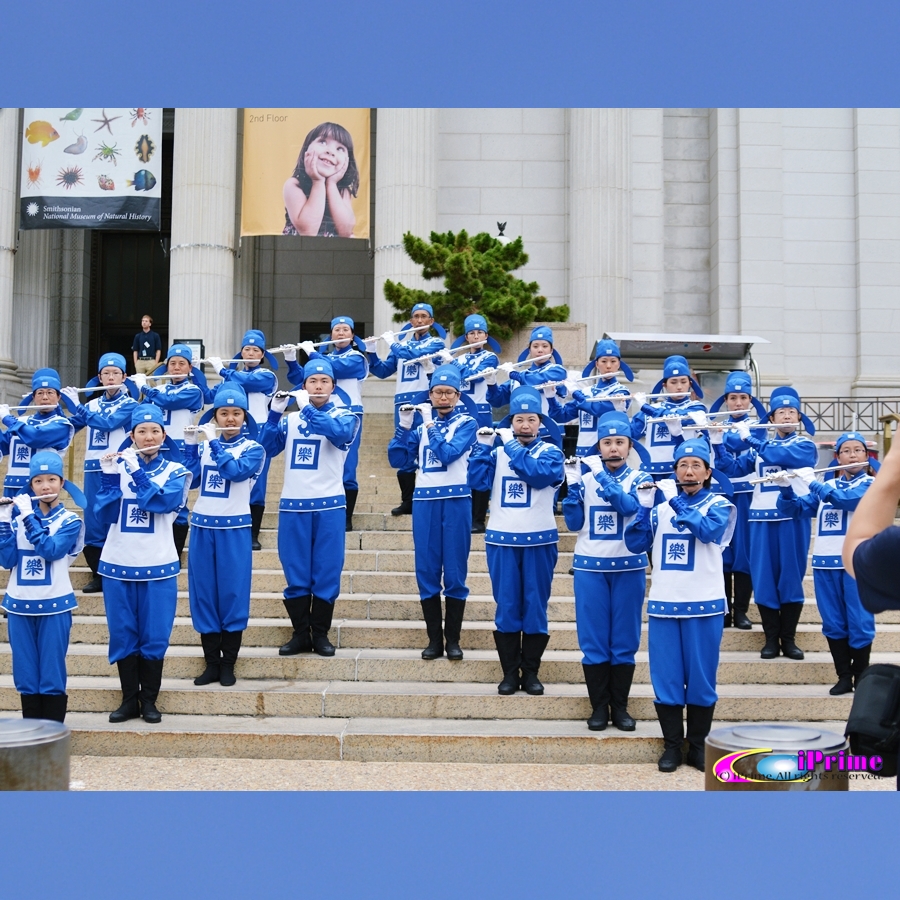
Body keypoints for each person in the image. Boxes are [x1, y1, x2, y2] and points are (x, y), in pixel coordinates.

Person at [625, 441, 736, 773]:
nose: (688, 471)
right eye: (682, 465)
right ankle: (672, 746)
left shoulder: (721, 504)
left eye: (695, 465)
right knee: (667, 679)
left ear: (707, 473)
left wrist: (671, 499)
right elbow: (635, 543)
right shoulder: (660, 510)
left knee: (701, 679)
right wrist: (644, 507)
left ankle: (699, 747)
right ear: (674, 471)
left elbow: (707, 532)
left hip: (704, 604)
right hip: (664, 603)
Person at [96, 404, 191, 724]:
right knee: (123, 633)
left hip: (158, 564)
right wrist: (109, 479)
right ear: (132, 436)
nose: (148, 437)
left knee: (154, 634)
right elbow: (104, 517)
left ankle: (149, 700)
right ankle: (128, 700)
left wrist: (134, 472)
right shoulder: (117, 467)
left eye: (154, 431)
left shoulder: (177, 472)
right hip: (117, 563)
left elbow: (163, 503)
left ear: (164, 435)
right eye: (141, 432)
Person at [468, 386, 565, 696]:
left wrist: (508, 446)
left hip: (539, 541)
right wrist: (483, 449)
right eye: (519, 419)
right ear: (511, 422)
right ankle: (510, 672)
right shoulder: (499, 452)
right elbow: (477, 483)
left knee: (535, 606)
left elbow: (536, 475)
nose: (525, 425)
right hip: (502, 540)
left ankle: (532, 672)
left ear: (540, 423)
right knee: (507, 606)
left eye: (531, 419)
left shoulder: (551, 452)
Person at [259, 356, 359, 657]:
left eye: (323, 381)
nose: (317, 386)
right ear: (304, 385)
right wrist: (274, 416)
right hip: (293, 504)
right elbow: (265, 448)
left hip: (329, 504)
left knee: (327, 571)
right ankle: (301, 633)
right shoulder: (292, 420)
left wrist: (305, 408)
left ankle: (321, 634)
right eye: (312, 382)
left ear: (333, 386)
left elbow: (339, 434)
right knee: (296, 571)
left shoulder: (346, 415)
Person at [562, 411, 653, 732]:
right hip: (590, 567)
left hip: (628, 568)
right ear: (598, 445)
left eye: (619, 442)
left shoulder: (641, 480)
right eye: (607, 442)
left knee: (625, 639)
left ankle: (621, 707)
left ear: (630, 446)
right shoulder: (585, 478)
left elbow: (629, 507)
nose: (613, 448)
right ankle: (599, 707)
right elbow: (573, 524)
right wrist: (572, 492)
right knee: (594, 639)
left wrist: (599, 476)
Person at [714, 386, 818, 661]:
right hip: (761, 520)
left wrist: (754, 441)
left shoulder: (804, 445)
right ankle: (771, 638)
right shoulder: (758, 450)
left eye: (791, 412)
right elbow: (732, 469)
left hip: (792, 520)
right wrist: (716, 443)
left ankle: (789, 638)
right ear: (771, 419)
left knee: (791, 578)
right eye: (780, 412)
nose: (786, 416)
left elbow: (783, 457)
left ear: (798, 417)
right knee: (764, 579)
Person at [387, 364, 478, 660]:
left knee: (454, 570)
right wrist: (402, 428)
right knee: (426, 569)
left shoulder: (466, 423)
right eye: (438, 392)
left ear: (457, 395)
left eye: (448, 392)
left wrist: (427, 426)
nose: (443, 397)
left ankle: (452, 639)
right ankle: (433, 640)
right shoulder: (420, 426)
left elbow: (449, 454)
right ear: (430, 394)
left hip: (456, 499)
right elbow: (398, 459)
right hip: (425, 501)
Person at [776, 431, 877, 694]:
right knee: (833, 622)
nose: (852, 455)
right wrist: (785, 489)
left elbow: (848, 502)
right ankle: (843, 676)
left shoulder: (871, 486)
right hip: (825, 564)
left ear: (866, 457)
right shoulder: (827, 486)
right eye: (846, 451)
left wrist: (813, 483)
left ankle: (862, 676)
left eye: (858, 450)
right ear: (837, 457)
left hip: (857, 564)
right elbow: (795, 510)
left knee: (860, 621)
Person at [182, 385, 265, 687]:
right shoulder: (207, 445)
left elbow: (235, 472)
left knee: (232, 594)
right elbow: (189, 480)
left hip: (234, 527)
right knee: (204, 595)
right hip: (203, 526)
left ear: (245, 417)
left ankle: (228, 663)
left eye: (236, 413)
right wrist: (192, 445)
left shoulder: (254, 448)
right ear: (215, 416)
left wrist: (213, 443)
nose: (230, 419)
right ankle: (211, 663)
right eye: (223, 413)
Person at [0, 452, 86, 724]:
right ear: (31, 486)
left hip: (55, 605)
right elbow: (7, 561)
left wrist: (26, 517)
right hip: (19, 605)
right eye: (38, 481)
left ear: (62, 483)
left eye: (52, 480)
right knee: (25, 674)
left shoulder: (70, 521)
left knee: (51, 673)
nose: (45, 486)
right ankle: (31, 739)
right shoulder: (18, 519)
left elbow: (51, 551)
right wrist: (4, 522)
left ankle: (52, 738)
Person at [62, 353, 138, 594]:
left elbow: (107, 423)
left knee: (114, 519)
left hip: (118, 469)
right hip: (93, 469)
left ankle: (119, 569)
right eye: (107, 373)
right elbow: (70, 427)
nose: (111, 376)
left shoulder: (130, 405)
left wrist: (76, 405)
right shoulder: (91, 405)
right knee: (93, 522)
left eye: (116, 373)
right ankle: (99, 574)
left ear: (124, 377)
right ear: (100, 377)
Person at [286, 317, 369, 530]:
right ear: (331, 335)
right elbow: (302, 377)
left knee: (347, 464)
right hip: (317, 412)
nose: (340, 333)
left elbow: (339, 368)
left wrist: (312, 355)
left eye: (345, 330)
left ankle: (347, 516)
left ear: (352, 335)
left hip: (347, 415)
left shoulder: (357, 357)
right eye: (336, 330)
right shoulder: (326, 357)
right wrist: (291, 360)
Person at [367, 303, 447, 516]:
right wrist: (372, 352)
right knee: (405, 449)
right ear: (411, 321)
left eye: (424, 317)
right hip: (402, 405)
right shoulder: (401, 347)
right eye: (416, 317)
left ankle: (428, 497)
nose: (419, 321)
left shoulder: (436, 343)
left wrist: (392, 343)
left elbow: (411, 353)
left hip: (425, 402)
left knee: (427, 447)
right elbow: (383, 371)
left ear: (431, 321)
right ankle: (407, 501)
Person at [705, 371, 769, 629]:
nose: (738, 403)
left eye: (743, 397)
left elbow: (745, 464)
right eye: (733, 398)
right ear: (726, 400)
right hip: (720, 495)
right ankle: (723, 609)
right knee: (722, 552)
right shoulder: (714, 426)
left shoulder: (760, 429)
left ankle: (740, 610)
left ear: (751, 400)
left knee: (744, 553)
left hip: (747, 495)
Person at [206, 330, 279, 550]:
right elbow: (210, 397)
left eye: (255, 350)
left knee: (257, 484)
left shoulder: (267, 376)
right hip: (231, 432)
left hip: (258, 434)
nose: (250, 353)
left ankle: (252, 534)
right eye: (247, 349)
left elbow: (247, 381)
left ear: (262, 354)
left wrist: (222, 371)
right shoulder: (231, 376)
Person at [133, 344, 206, 558]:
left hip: (180, 449)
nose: (176, 368)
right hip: (154, 447)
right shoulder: (160, 388)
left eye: (181, 364)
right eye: (172, 363)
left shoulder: (193, 390)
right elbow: (144, 411)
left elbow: (169, 401)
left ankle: (174, 552)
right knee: (150, 492)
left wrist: (145, 388)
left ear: (190, 367)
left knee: (178, 502)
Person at [446, 314, 501, 533]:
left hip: (480, 413)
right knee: (460, 461)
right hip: (458, 413)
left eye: (480, 333)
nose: (476, 336)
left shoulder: (490, 358)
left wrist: (451, 364)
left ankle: (478, 518)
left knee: (480, 461)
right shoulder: (458, 359)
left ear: (486, 336)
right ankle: (461, 515)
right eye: (471, 333)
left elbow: (473, 376)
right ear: (466, 337)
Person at [548, 338, 633, 457]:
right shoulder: (586, 391)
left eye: (613, 361)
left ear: (618, 364)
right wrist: (550, 396)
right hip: (582, 454)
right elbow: (561, 416)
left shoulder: (621, 391)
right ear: (597, 364)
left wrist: (575, 393)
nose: (608, 366)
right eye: (604, 361)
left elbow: (599, 409)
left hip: (608, 456)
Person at [0, 369, 75, 497]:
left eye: (50, 393)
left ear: (58, 397)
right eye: (40, 393)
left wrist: (7, 419)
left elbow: (35, 437)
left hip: (41, 491)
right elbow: (3, 445)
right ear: (33, 397)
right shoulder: (21, 421)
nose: (45, 397)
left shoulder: (62, 424)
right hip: (11, 488)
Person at [630, 355, 707, 477]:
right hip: (653, 474)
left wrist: (645, 407)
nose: (679, 387)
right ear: (664, 385)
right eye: (673, 382)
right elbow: (628, 435)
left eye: (683, 381)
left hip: (684, 474)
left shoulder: (696, 408)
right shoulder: (651, 410)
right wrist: (620, 410)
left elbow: (672, 418)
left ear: (690, 384)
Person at [282, 121, 360, 238]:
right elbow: (308, 232)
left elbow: (346, 231)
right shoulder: (294, 185)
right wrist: (318, 182)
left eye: (340, 149)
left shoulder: (343, 191)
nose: (330, 151)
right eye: (322, 142)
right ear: (306, 150)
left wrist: (332, 184)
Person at [485, 325, 568, 415]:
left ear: (551, 350)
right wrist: (491, 383)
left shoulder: (558, 371)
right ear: (529, 350)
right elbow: (497, 401)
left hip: (549, 427)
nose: (540, 350)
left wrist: (513, 373)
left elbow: (535, 380)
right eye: (535, 346)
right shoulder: (519, 377)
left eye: (545, 346)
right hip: (520, 428)